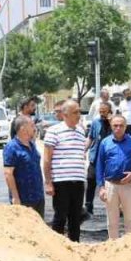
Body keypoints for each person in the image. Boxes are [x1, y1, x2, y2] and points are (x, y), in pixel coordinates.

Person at [43, 99, 89, 241]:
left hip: (78, 181)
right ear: (65, 114)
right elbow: (46, 159)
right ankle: (57, 247)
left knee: (76, 217)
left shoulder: (81, 131)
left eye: (79, 111)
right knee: (60, 216)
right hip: (61, 181)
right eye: (75, 112)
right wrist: (48, 182)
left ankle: (75, 246)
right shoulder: (53, 131)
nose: (79, 115)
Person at [95, 114, 131, 240]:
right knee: (112, 221)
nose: (118, 128)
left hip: (129, 186)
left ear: (126, 127)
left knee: (129, 220)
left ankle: (129, 248)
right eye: (115, 125)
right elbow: (99, 166)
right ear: (111, 126)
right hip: (110, 185)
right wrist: (101, 187)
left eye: (121, 126)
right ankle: (113, 247)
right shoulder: (105, 143)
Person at [3, 114, 46, 219]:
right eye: (32, 125)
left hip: (38, 196)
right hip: (23, 199)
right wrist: (15, 197)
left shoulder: (31, 145)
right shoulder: (12, 147)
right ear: (23, 128)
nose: (34, 128)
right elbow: (8, 173)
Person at [85, 101, 114, 217]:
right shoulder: (95, 122)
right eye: (100, 111)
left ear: (109, 111)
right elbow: (90, 138)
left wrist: (111, 121)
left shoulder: (114, 123)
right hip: (95, 157)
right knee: (90, 181)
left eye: (104, 112)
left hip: (108, 159)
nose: (102, 114)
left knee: (110, 184)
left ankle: (114, 207)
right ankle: (88, 207)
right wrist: (84, 149)